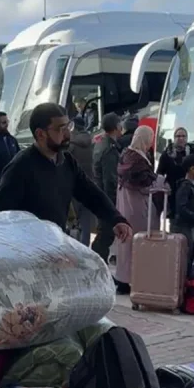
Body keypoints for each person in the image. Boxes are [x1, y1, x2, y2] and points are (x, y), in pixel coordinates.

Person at [0, 102, 131, 242]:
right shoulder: (19, 168)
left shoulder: (66, 161)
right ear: (40, 134)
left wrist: (115, 218)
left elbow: (90, 193)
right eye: (60, 129)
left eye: (68, 127)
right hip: (28, 253)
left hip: (56, 247)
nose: (67, 134)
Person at [113, 125, 163, 294]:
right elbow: (145, 182)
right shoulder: (137, 159)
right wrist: (160, 181)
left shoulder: (127, 154)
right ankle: (134, 279)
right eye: (149, 138)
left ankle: (123, 279)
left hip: (125, 204)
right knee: (138, 242)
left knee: (126, 243)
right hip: (138, 207)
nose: (150, 142)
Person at [91, 112, 124, 262]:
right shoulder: (109, 149)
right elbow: (110, 179)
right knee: (105, 235)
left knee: (104, 234)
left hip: (99, 195)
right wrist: (113, 203)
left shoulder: (100, 143)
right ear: (117, 127)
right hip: (106, 198)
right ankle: (97, 265)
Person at [172, 154, 194, 273]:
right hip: (183, 227)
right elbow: (181, 207)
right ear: (192, 169)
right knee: (184, 258)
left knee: (190, 256)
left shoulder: (193, 185)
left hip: (190, 227)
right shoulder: (185, 186)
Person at [158, 126, 193, 222]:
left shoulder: (192, 151)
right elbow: (159, 172)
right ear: (174, 138)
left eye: (183, 136)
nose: (181, 138)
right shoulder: (167, 153)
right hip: (173, 191)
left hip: (189, 191)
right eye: (178, 136)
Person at [69, 116, 95, 246]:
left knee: (73, 221)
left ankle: (75, 248)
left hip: (74, 187)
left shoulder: (71, 145)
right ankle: (85, 247)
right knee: (86, 221)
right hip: (89, 185)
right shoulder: (92, 142)